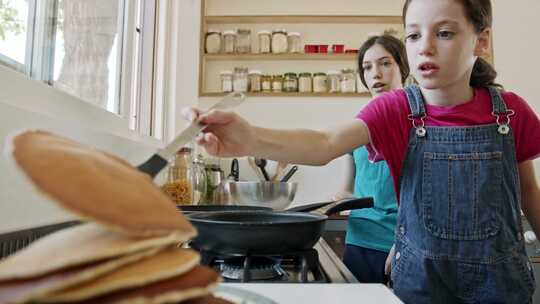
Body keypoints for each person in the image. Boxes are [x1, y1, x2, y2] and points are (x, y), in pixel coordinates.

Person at [186, 0, 540, 302]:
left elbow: (529, 192)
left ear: (481, 40)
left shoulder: (510, 111)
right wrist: (250, 138)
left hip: (501, 285)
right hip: (421, 285)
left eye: (444, 33)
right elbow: (324, 143)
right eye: (414, 35)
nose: (425, 47)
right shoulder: (396, 109)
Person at [332, 34, 409, 284]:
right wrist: (341, 199)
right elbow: (347, 189)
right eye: (367, 67)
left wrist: (406, 243)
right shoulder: (356, 128)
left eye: (385, 63)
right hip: (359, 241)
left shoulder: (417, 124)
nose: (375, 74)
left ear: (403, 68)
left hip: (399, 244)